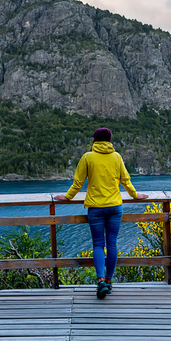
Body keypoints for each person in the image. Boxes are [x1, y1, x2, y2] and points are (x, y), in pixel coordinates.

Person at [55, 127, 148, 299]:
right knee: (112, 244)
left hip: (96, 208)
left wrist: (66, 197)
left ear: (94, 140)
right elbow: (126, 180)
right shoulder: (117, 157)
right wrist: (136, 195)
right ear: (110, 140)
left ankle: (100, 281)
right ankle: (110, 282)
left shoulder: (87, 157)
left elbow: (78, 183)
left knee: (98, 244)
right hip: (115, 207)